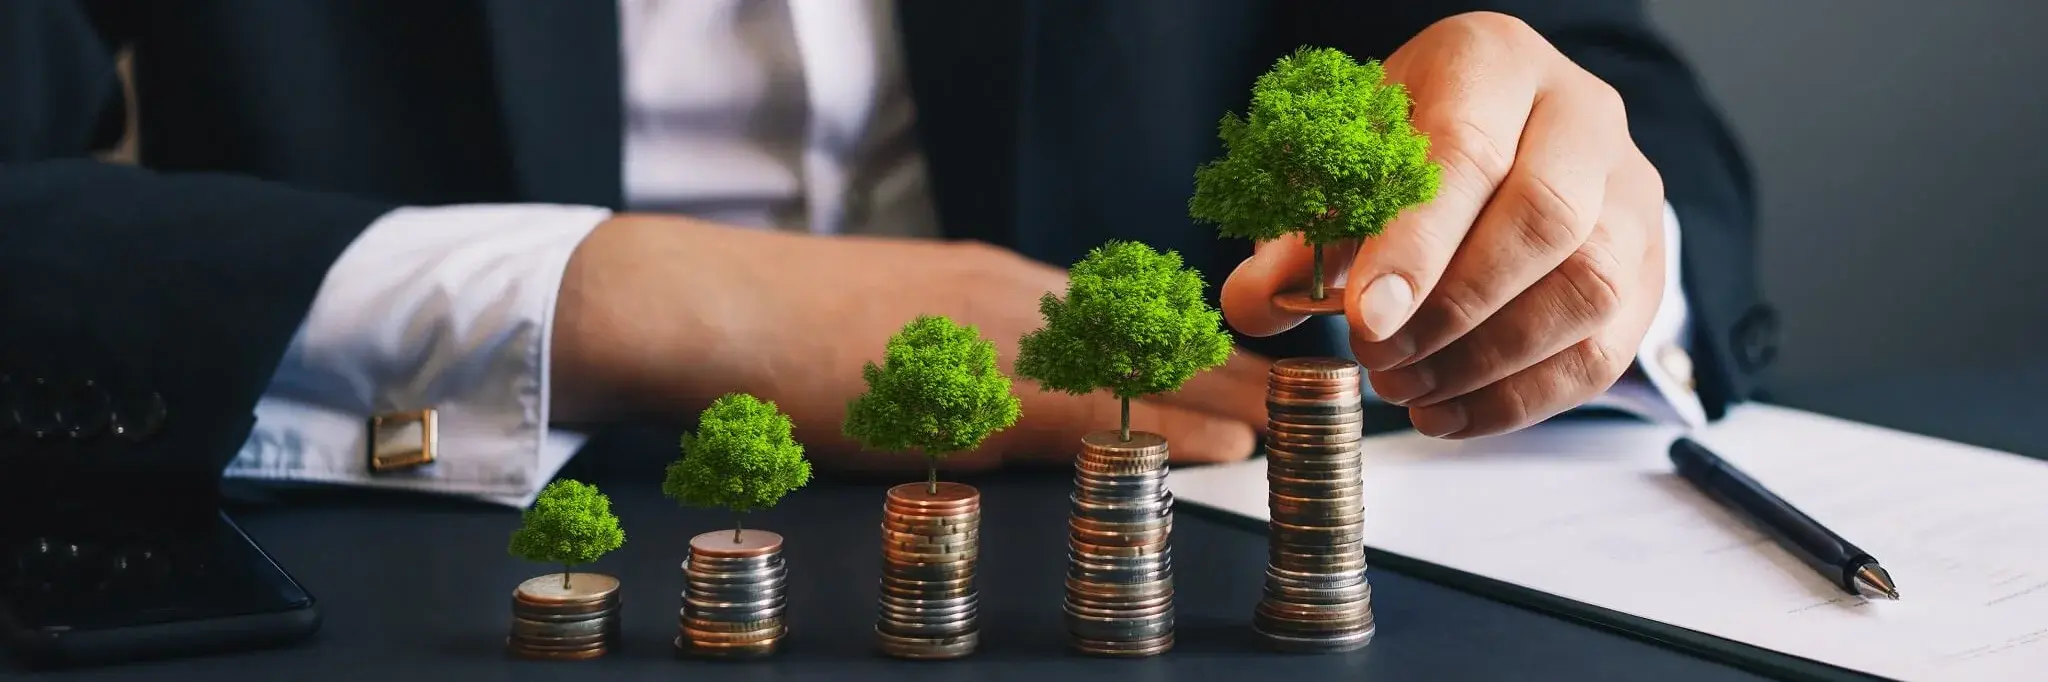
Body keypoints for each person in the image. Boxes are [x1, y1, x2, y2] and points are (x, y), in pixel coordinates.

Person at [0, 1, 1773, 508]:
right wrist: (627, 297)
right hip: (462, 554)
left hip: (1160, 537)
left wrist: (1565, 217)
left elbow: (1602, 96)